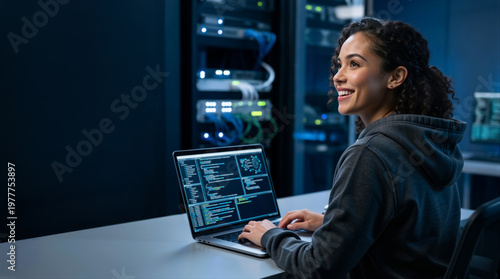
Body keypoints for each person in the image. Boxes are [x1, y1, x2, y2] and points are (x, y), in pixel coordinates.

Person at [238, 17, 467, 278]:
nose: (338, 76)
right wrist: (332, 226)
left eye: (354, 64)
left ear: (396, 77)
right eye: (339, 65)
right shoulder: (430, 142)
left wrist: (271, 235)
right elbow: (410, 232)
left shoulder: (370, 153)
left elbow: (318, 266)